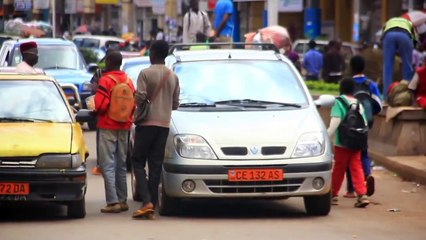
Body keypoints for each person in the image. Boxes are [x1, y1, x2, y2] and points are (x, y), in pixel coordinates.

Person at [131, 40, 180, 219]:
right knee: (155, 165)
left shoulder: (145, 73)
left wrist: (138, 100)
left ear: (152, 53)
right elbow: (175, 103)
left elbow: (140, 98)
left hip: (146, 124)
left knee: (137, 161)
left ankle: (146, 201)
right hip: (164, 125)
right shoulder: (172, 76)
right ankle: (151, 203)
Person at [94, 50, 135, 213]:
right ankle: (123, 200)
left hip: (107, 126)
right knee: (121, 164)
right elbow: (134, 104)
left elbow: (100, 106)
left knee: (107, 164)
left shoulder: (105, 81)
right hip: (124, 126)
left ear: (110, 62)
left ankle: (112, 202)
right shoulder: (128, 81)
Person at [327, 78, 370, 208]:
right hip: (357, 141)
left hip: (342, 142)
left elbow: (335, 122)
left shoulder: (338, 102)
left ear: (341, 89)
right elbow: (365, 123)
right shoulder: (358, 103)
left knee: (339, 169)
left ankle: (333, 195)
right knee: (356, 167)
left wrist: (325, 136)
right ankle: (362, 194)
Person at [344, 55, 382, 198]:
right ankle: (367, 175)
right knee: (364, 152)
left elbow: (342, 102)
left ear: (351, 67)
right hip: (365, 124)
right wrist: (369, 116)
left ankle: (350, 190)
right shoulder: (370, 84)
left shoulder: (347, 83)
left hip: (349, 125)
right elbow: (378, 103)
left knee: (350, 155)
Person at [381, 17, 416, 100]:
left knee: (387, 66)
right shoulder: (409, 23)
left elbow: (382, 36)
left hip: (388, 35)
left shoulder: (388, 21)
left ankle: (386, 96)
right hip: (404, 35)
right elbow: (414, 40)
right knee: (407, 65)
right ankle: (406, 95)